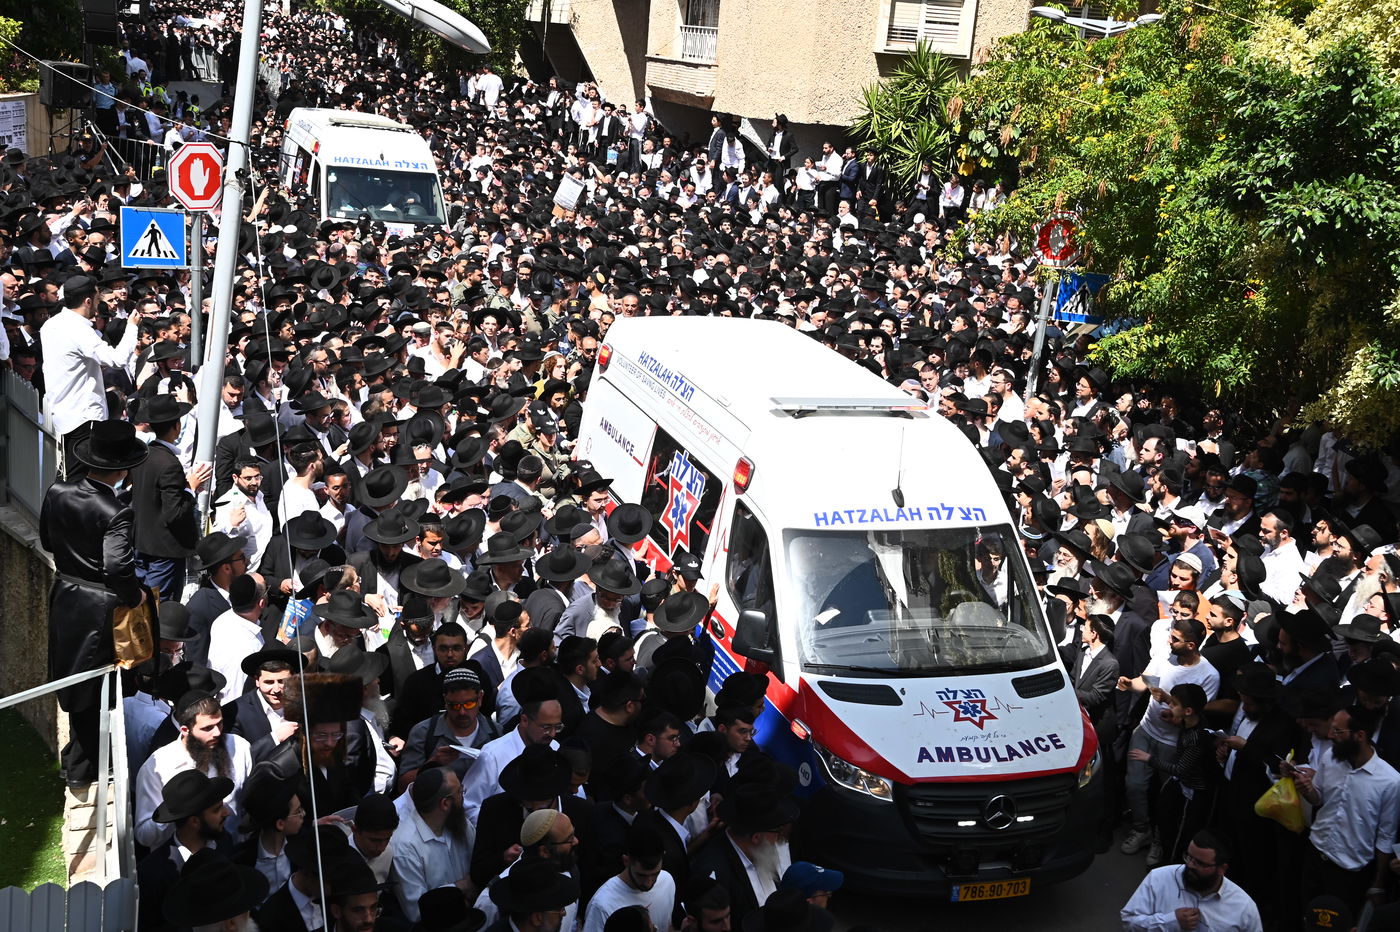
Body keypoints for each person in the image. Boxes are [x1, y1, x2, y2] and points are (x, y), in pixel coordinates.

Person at [39, 419, 149, 786]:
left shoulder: (57, 491)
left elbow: (48, 541)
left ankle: (79, 759)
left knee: (75, 682)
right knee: (95, 687)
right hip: (99, 610)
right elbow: (117, 566)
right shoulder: (116, 511)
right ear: (122, 469)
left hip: (65, 596)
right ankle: (84, 768)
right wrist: (136, 596)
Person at [1287, 703, 1400, 911]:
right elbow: (1318, 799)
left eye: (1338, 731)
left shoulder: (1390, 781)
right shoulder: (1330, 757)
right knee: (1308, 914)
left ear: (1359, 735)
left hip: (1348, 871)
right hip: (1315, 852)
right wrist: (1307, 790)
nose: (1331, 735)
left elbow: (1386, 836)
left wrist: (1378, 885)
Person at [38, 274, 143, 470]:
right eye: (96, 299)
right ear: (88, 301)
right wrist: (131, 328)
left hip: (62, 413)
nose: (98, 304)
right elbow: (117, 360)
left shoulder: (51, 324)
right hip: (82, 417)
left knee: (70, 474)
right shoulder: (78, 329)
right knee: (80, 476)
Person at [1121, 830, 1262, 932]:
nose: (1190, 865)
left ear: (1222, 869)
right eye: (1189, 857)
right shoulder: (1159, 878)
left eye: (1200, 863)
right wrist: (1169, 922)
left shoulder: (1244, 907)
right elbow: (1128, 922)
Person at [391, 765, 473, 922]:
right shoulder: (405, 847)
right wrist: (458, 888)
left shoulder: (461, 824)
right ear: (445, 804)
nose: (463, 797)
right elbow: (417, 912)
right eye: (460, 792)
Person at [582, 823, 676, 932]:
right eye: (641, 875)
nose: (648, 883)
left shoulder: (667, 882)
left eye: (655, 874)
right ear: (626, 861)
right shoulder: (602, 904)